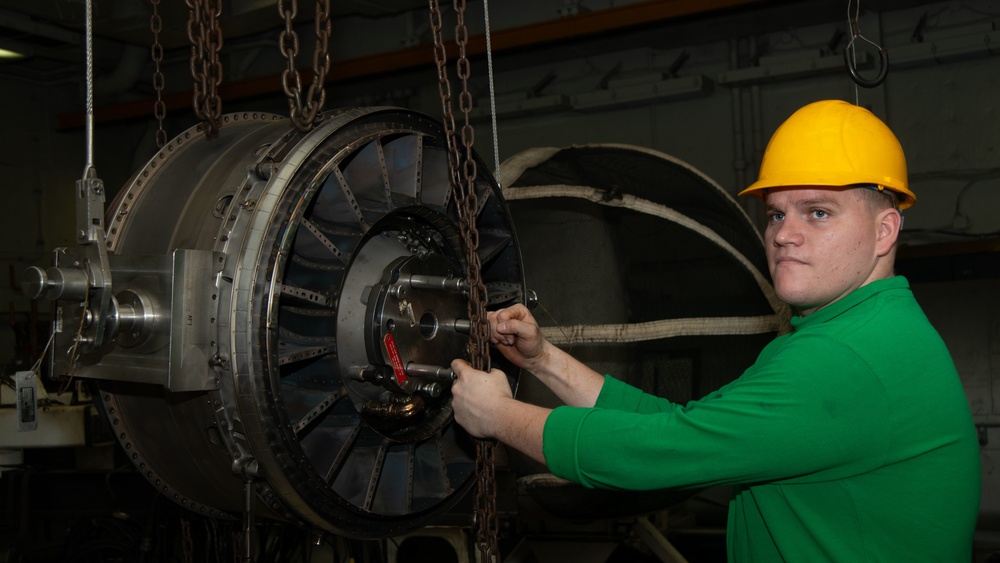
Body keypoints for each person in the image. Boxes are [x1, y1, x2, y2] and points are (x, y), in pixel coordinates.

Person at [450, 99, 981, 561]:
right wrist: (545, 361)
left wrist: (498, 415)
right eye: (776, 215)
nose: (785, 236)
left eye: (818, 213)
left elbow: (658, 452)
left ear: (884, 230)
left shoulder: (846, 359)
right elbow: (688, 428)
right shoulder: (857, 333)